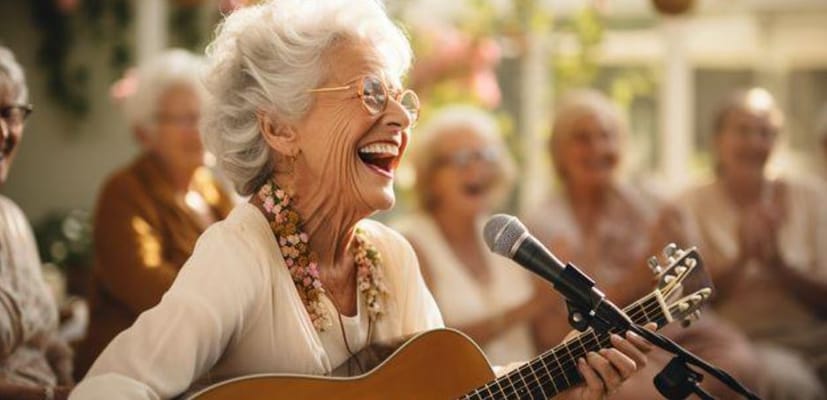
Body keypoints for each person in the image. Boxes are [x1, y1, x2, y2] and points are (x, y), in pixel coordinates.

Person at [70, 2, 651, 399]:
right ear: (280, 128)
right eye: (371, 93)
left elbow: (455, 390)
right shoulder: (241, 252)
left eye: (401, 98)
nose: (399, 117)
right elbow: (115, 385)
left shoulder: (389, 256)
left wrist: (561, 384)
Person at [525, 89, 761, 399]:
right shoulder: (546, 223)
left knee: (740, 363)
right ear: (559, 152)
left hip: (679, 332)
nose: (598, 148)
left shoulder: (653, 201)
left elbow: (701, 285)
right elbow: (554, 332)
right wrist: (637, 278)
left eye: (607, 136)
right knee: (642, 390)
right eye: (583, 138)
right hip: (612, 348)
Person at [75, 50, 235, 377]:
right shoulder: (124, 192)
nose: (200, 129)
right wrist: (235, 305)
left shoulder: (212, 190)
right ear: (145, 132)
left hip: (204, 358)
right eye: (185, 119)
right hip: (133, 371)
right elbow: (148, 286)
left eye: (204, 115)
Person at [662, 88, 827, 399]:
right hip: (747, 344)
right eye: (743, 131)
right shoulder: (687, 206)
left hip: (817, 337)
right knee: (795, 384)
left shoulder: (813, 197)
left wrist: (780, 267)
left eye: (765, 133)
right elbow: (685, 306)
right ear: (718, 140)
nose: (754, 142)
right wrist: (741, 260)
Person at [393, 105, 545, 366]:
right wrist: (530, 307)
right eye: (462, 158)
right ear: (431, 175)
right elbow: (430, 350)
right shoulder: (408, 244)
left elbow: (543, 336)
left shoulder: (505, 233)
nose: (478, 169)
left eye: (487, 156)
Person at [0, 46, 73, 400]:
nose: (3, 132)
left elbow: (48, 343)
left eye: (9, 113)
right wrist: (51, 396)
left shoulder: (13, 219)